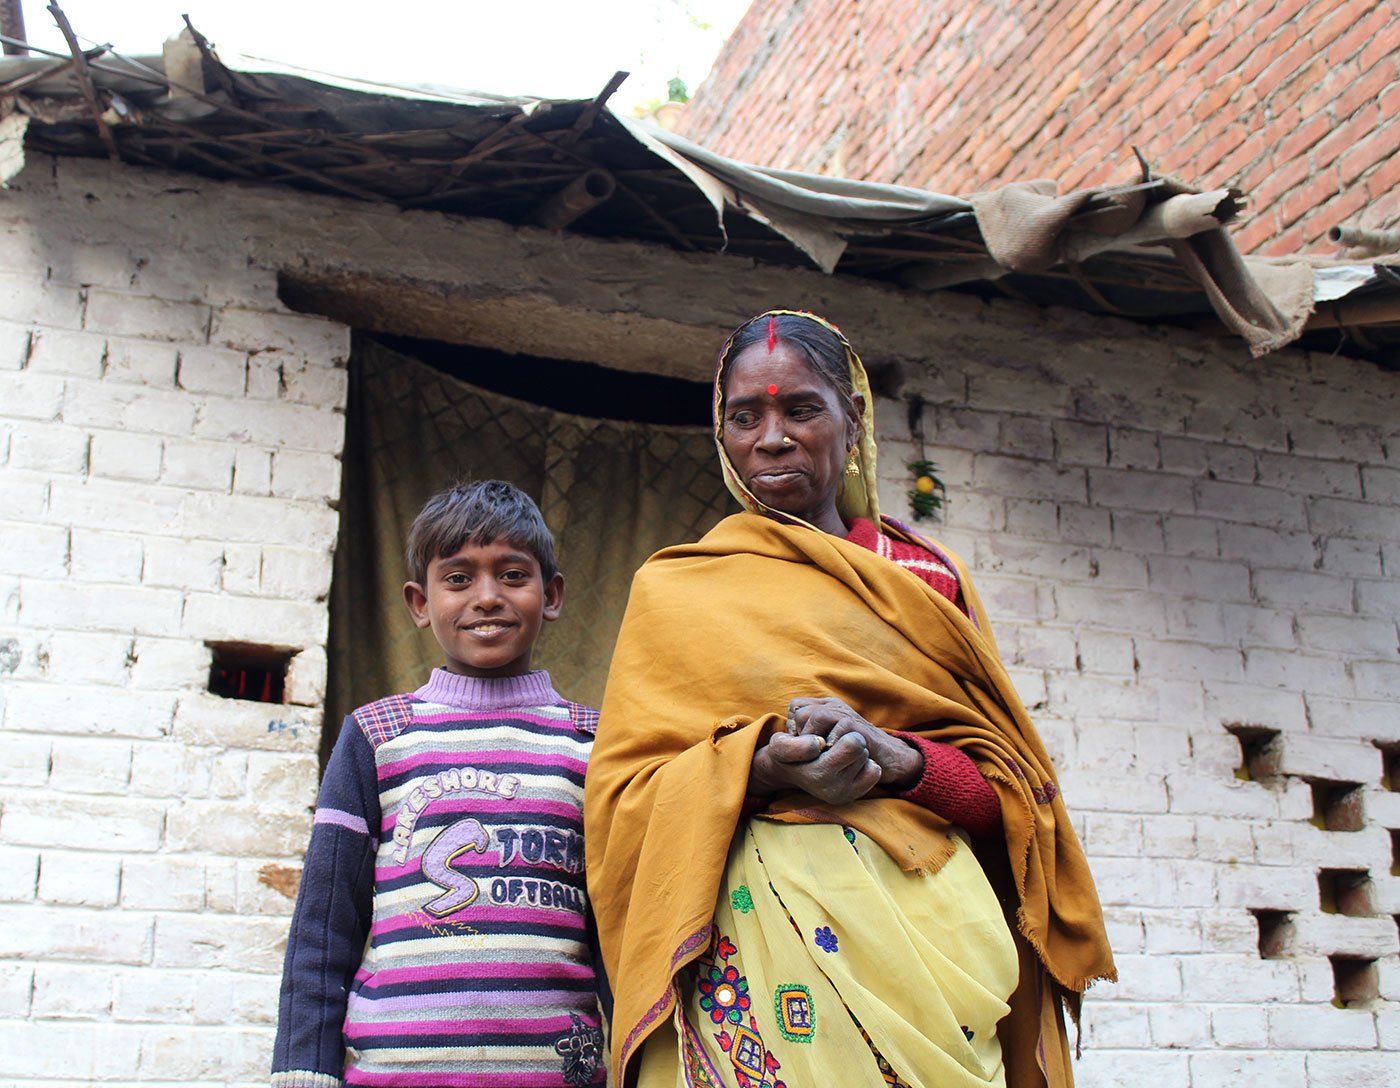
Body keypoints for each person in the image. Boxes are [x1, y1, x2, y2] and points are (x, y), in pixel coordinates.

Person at [585, 311, 1115, 1088]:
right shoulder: (676, 591)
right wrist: (760, 766)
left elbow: (1011, 802)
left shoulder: (926, 581)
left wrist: (900, 762)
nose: (771, 437)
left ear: (853, 417)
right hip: (748, 947)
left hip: (934, 949)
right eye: (745, 416)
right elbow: (624, 800)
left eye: (800, 409)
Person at [272, 480, 606, 1088]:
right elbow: (324, 928)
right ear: (419, 602)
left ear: (551, 595)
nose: (486, 598)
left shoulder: (593, 743)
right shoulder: (376, 736)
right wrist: (303, 1070)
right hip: (395, 1073)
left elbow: (618, 933)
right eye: (457, 579)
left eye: (512, 575)